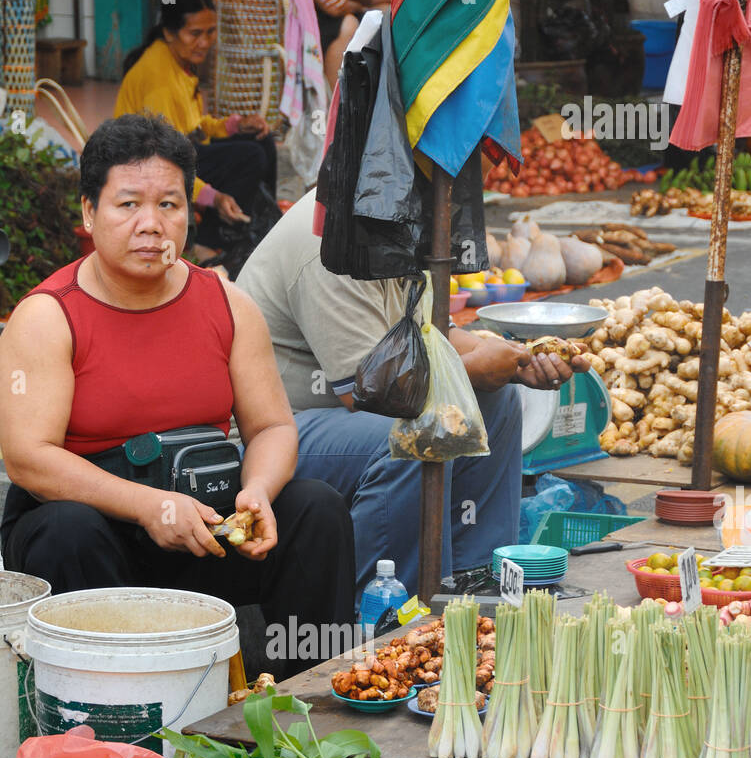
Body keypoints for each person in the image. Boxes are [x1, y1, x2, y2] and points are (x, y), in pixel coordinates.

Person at [0, 115, 354, 682]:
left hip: (203, 523)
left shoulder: (226, 302)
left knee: (315, 509)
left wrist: (257, 492)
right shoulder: (46, 316)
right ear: (89, 213)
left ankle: (308, 700)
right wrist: (148, 506)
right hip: (93, 537)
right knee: (67, 530)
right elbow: (27, 456)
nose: (151, 225)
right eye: (128, 204)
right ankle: (109, 725)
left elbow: (272, 429)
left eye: (169, 205)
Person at [237, 189, 590, 599]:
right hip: (280, 430)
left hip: (358, 408)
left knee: (496, 402)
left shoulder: (394, 213)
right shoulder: (328, 240)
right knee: (413, 438)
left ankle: (475, 584)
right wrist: (476, 367)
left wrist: (518, 360)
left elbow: (428, 335)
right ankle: (391, 610)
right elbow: (372, 393)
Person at [115, 0, 276, 258]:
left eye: (210, 31)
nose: (204, 42)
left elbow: (193, 125)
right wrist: (212, 197)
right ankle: (209, 244)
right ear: (169, 32)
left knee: (261, 141)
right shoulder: (159, 78)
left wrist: (235, 125)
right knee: (251, 157)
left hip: (176, 149)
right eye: (195, 33)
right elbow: (164, 159)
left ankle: (258, 221)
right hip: (144, 163)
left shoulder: (179, 59)